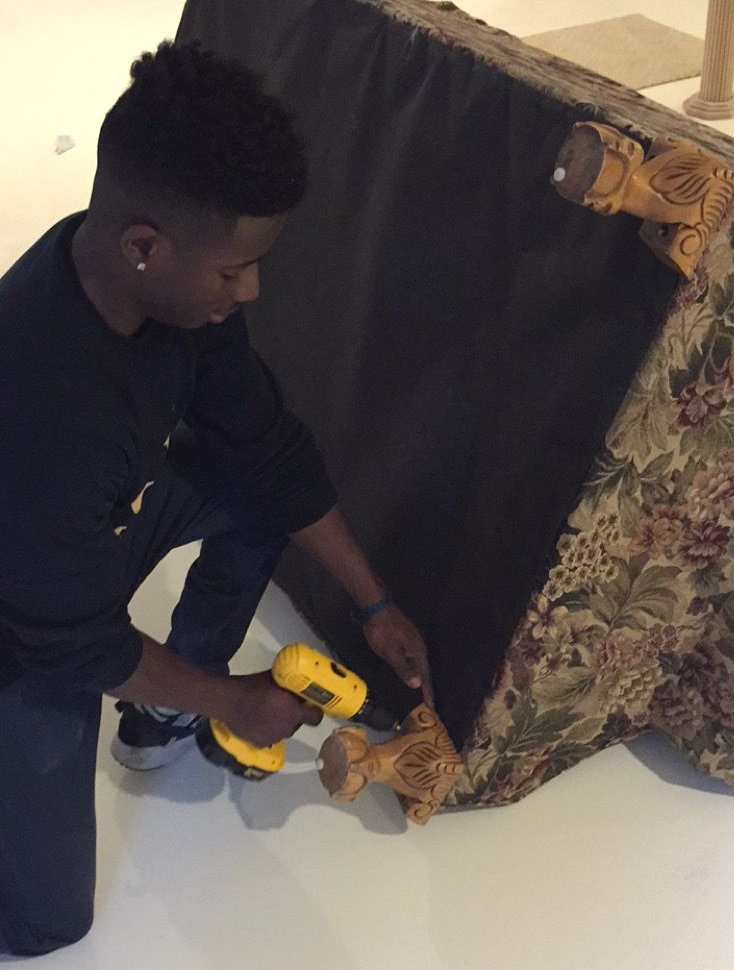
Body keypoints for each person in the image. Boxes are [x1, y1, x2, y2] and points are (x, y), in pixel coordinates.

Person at [0, 41, 433, 958]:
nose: (253, 288)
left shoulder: (164, 298)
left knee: (251, 490)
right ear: (145, 247)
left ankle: (162, 709)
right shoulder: (45, 403)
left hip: (74, 540)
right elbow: (66, 636)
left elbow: (266, 450)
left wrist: (375, 600)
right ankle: (176, 699)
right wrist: (234, 701)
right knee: (45, 922)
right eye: (235, 269)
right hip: (22, 620)